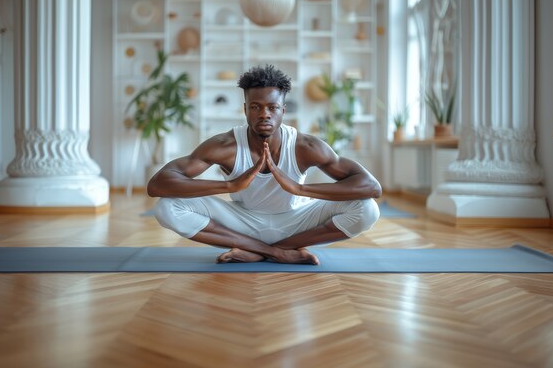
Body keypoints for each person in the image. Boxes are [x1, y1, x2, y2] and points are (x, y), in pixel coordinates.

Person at [148, 65, 381, 265]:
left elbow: (371, 186)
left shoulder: (305, 146)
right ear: (245, 109)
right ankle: (276, 253)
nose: (264, 114)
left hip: (298, 222)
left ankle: (257, 251)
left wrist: (299, 189)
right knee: (166, 207)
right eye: (255, 107)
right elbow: (158, 185)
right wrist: (231, 186)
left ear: (283, 110)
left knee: (368, 209)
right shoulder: (225, 145)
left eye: (272, 107)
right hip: (242, 223)